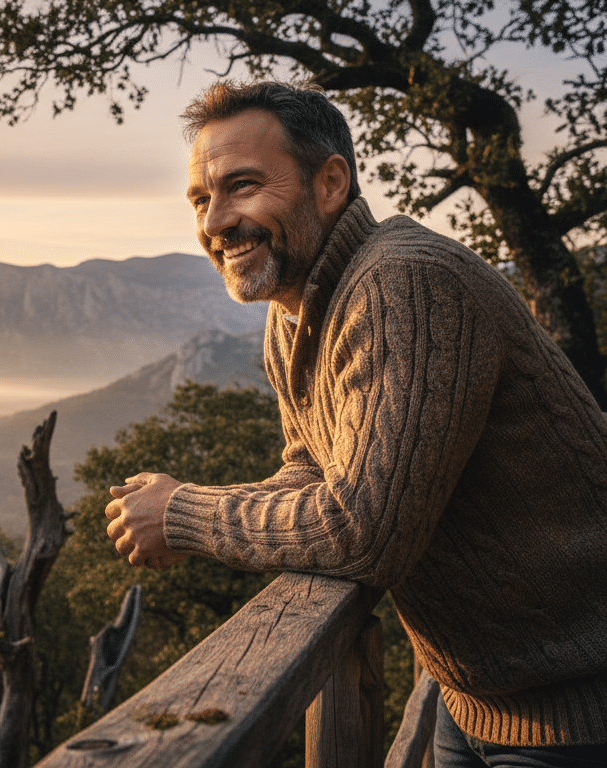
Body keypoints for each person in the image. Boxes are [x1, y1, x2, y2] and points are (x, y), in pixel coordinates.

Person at [104, 80, 607, 763]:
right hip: (478, 696)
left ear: (330, 183)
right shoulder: (295, 314)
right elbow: (310, 472)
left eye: (242, 185)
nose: (215, 221)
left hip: (577, 706)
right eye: (201, 199)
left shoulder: (407, 284)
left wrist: (184, 514)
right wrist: (175, 507)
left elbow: (363, 531)